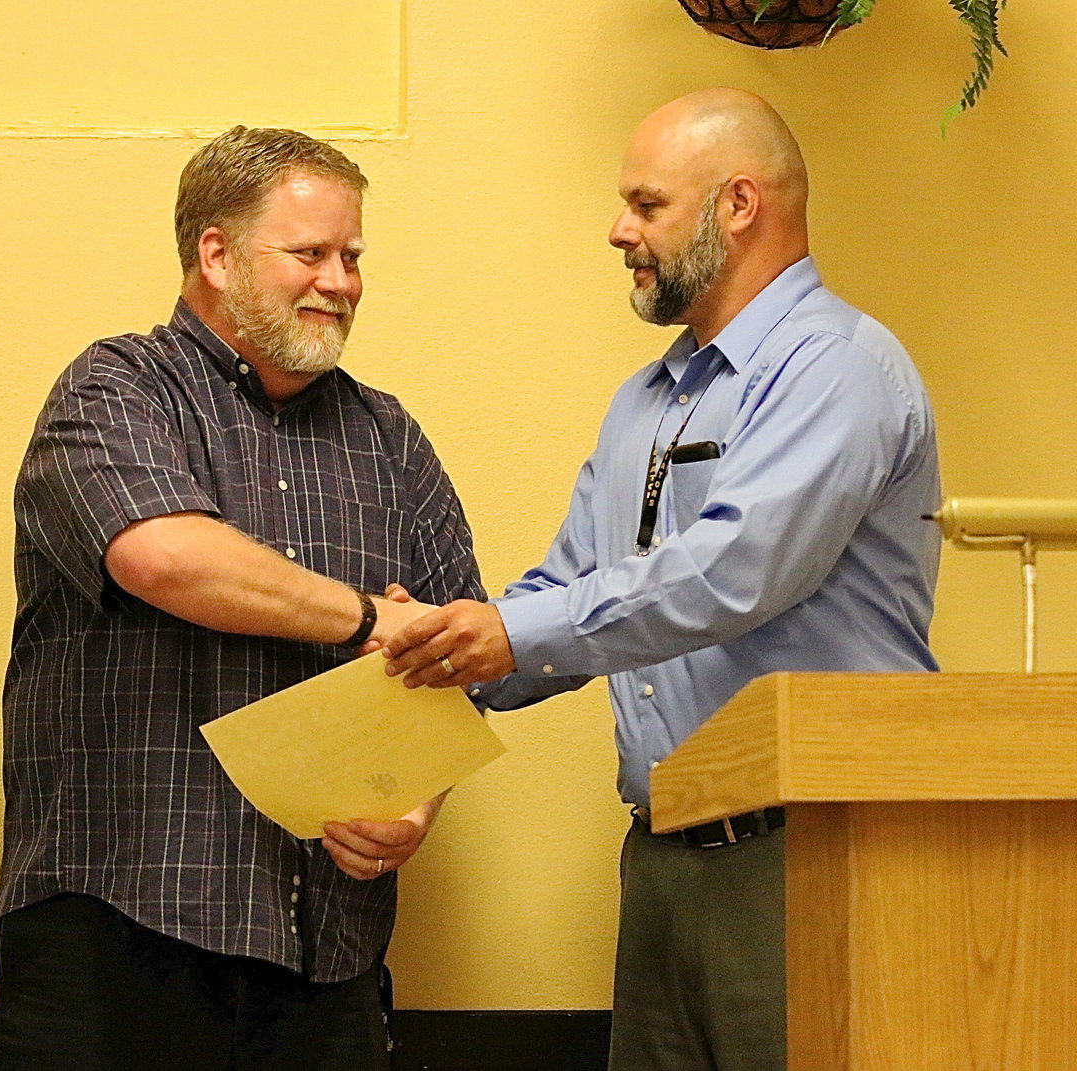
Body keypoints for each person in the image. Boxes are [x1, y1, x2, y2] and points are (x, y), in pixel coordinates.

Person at [382, 88, 940, 1071]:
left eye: (646, 205)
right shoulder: (641, 403)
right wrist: (436, 649)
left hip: (812, 856)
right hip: (664, 857)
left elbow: (732, 573)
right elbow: (567, 589)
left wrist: (506, 634)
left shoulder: (836, 369)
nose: (618, 231)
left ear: (739, 204)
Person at [0, 125, 484, 1071]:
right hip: (118, 934)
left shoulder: (391, 438)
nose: (340, 281)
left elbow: (460, 652)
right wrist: (372, 617)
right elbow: (163, 556)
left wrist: (414, 805)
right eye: (310, 253)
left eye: (351, 257)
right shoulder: (115, 388)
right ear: (215, 255)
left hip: (328, 955)